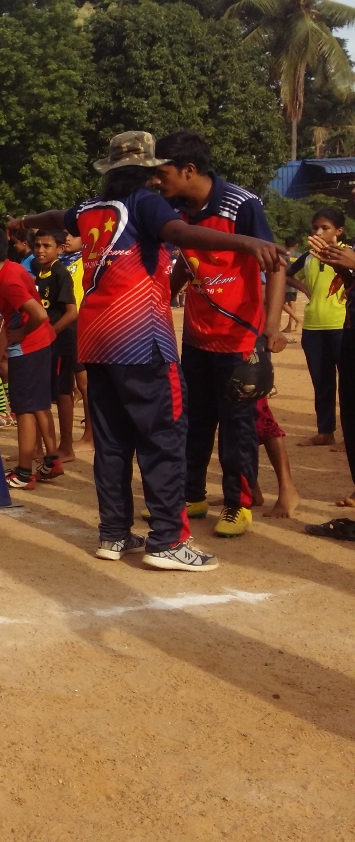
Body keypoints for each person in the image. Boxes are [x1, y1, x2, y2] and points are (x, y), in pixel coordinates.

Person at [13, 130, 283, 570]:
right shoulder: (145, 203)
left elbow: (56, 215)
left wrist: (23, 221)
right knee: (164, 437)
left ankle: (114, 534)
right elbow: (179, 232)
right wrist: (247, 242)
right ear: (144, 172)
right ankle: (168, 540)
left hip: (95, 340)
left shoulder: (90, 209)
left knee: (113, 441)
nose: (159, 181)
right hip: (142, 342)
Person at [155, 130, 287, 539]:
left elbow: (276, 263)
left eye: (163, 174)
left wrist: (271, 325)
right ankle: (192, 495)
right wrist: (165, 294)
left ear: (189, 169)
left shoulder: (241, 204)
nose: (158, 182)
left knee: (238, 426)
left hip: (239, 337)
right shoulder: (174, 209)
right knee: (193, 421)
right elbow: (186, 261)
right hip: (196, 336)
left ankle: (237, 504)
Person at [0, 227, 58, 490]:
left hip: (28, 348)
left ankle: (25, 471)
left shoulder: (8, 280)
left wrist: (19, 332)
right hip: (37, 345)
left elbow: (39, 314)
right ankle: (51, 459)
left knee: (25, 409)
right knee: (38, 405)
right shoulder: (10, 270)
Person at [290, 206, 347, 448]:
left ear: (339, 231)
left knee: (349, 384)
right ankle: (325, 432)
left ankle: (349, 434)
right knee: (321, 382)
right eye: (316, 228)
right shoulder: (308, 258)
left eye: (325, 228)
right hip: (313, 327)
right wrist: (303, 288)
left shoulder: (348, 255)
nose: (319, 232)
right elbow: (284, 274)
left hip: (343, 326)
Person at [32, 230, 80, 462]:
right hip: (44, 340)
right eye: (37, 245)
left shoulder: (61, 273)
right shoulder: (38, 271)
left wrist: (51, 332)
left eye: (46, 245)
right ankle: (37, 447)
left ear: (59, 249)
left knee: (63, 392)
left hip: (61, 340)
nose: (41, 250)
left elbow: (71, 313)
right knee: (41, 391)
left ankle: (67, 446)